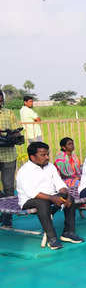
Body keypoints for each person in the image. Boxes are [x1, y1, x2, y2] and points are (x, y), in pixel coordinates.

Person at [17, 142, 82, 250]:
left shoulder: (50, 166)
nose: (47, 157)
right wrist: (53, 198)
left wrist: (65, 192)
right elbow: (32, 193)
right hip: (30, 200)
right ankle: (52, 239)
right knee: (42, 203)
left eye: (48, 154)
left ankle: (68, 232)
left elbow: (59, 183)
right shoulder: (24, 171)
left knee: (70, 197)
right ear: (32, 157)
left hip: (51, 197)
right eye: (43, 155)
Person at [0, 90, 20, 227]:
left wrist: (10, 134)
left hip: (8, 155)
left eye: (1, 100)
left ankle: (7, 218)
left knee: (8, 187)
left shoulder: (9, 113)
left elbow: (17, 132)